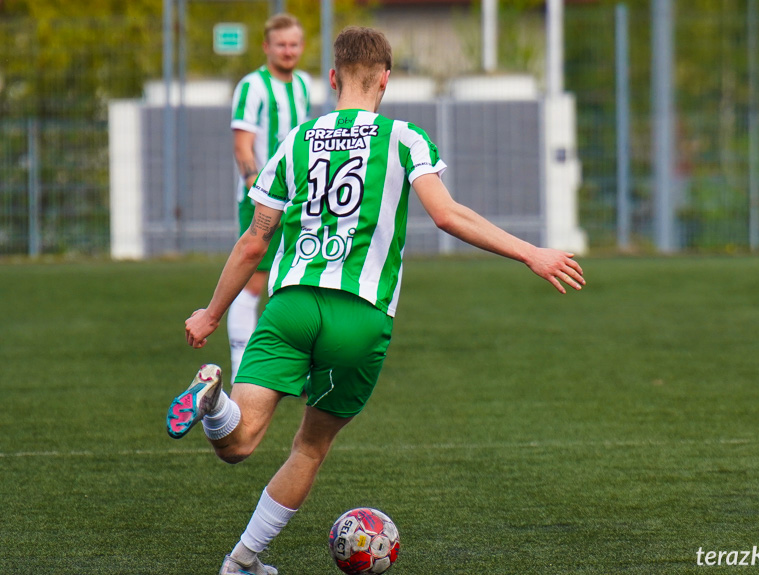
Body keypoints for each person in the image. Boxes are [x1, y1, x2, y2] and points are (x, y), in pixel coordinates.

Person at [166, 26, 586, 575]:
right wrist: (531, 252)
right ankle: (243, 560)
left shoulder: (295, 139)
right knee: (309, 448)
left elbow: (254, 241)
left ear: (335, 77)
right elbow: (447, 215)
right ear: (384, 80)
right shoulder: (405, 138)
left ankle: (212, 399)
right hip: (359, 317)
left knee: (238, 440)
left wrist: (211, 312)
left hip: (290, 303)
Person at [228, 13, 311, 384]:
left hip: (299, 200)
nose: (288, 50)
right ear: (267, 47)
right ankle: (240, 370)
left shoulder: (304, 85)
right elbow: (242, 145)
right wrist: (253, 181)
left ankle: (291, 368)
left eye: (294, 44)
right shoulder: (253, 87)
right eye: (281, 44)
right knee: (254, 283)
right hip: (262, 199)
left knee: (296, 280)